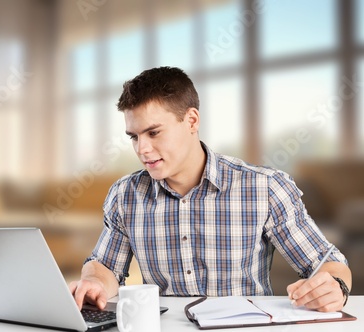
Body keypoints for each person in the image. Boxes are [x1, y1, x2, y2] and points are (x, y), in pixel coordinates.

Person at [69, 66, 352, 313]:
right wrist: (93, 283)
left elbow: (329, 265)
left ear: (191, 121)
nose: (142, 149)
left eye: (154, 132)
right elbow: (104, 266)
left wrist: (334, 287)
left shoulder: (264, 187)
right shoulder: (126, 195)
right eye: (134, 136)